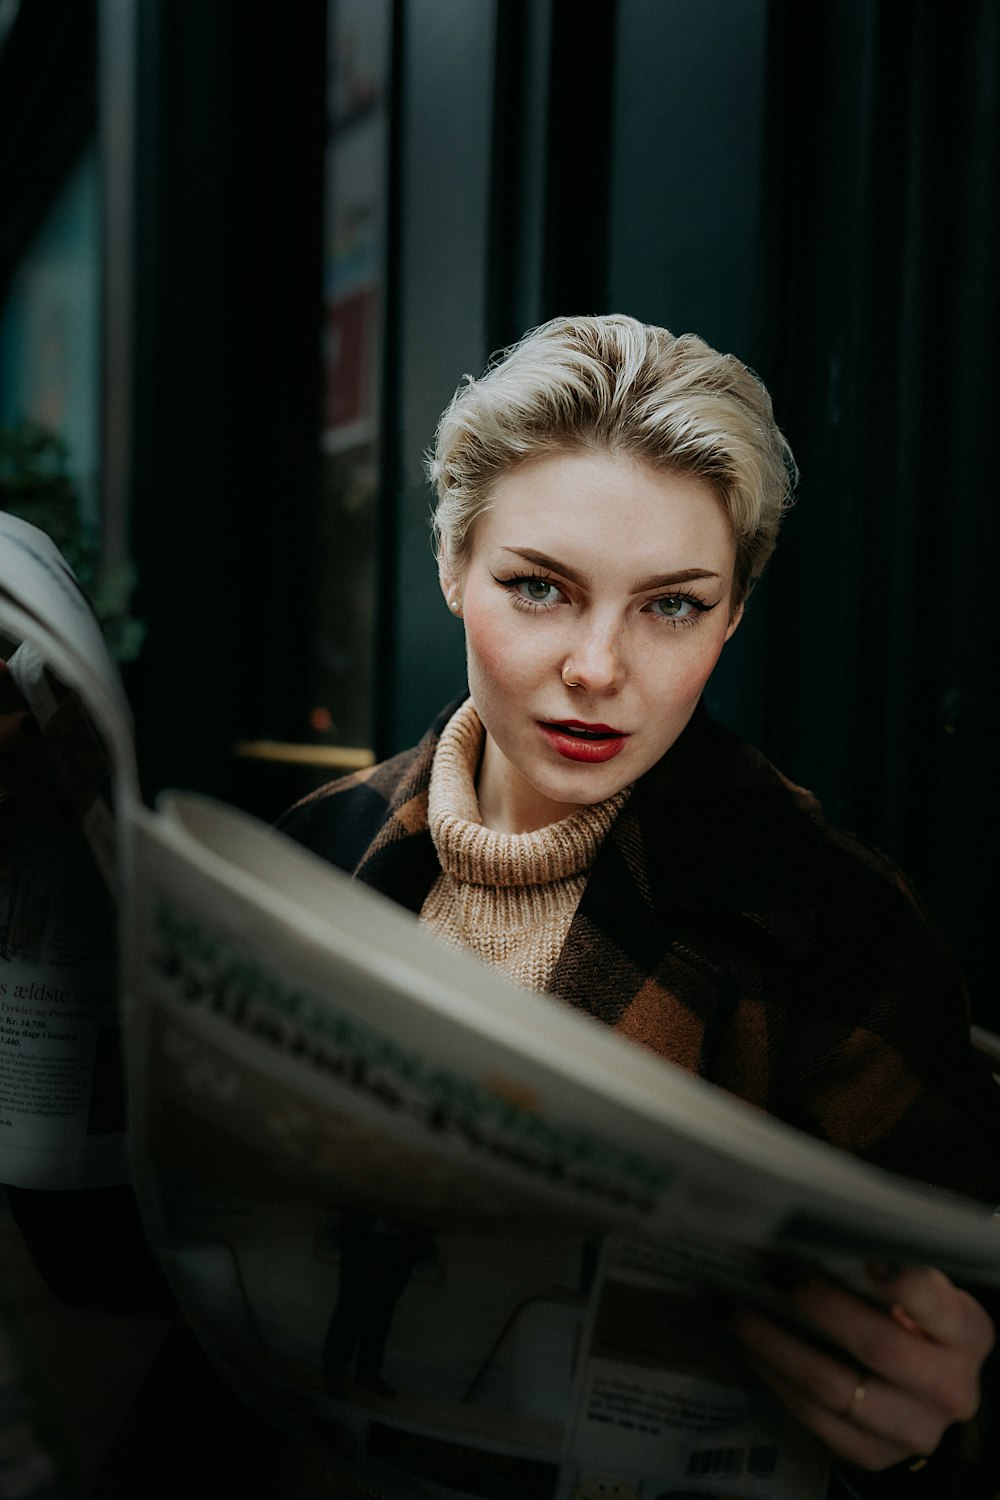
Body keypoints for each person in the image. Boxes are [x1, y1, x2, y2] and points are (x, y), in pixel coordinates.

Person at [278, 314, 1000, 1498]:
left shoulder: (832, 925)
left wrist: (936, 1414)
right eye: (539, 588)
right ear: (454, 570)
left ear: (732, 616)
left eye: (670, 606)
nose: (598, 667)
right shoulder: (319, 843)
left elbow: (961, 1313)